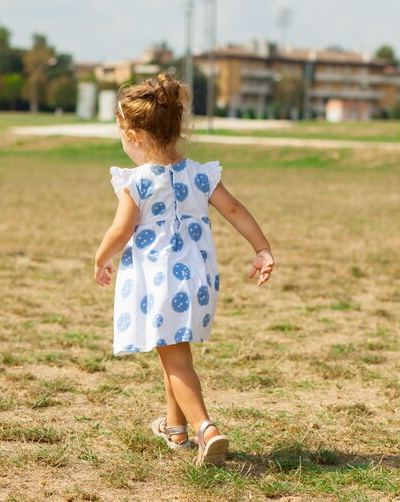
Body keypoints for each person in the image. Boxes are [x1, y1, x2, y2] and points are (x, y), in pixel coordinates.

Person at [94, 73, 275, 467]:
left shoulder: (137, 181)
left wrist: (101, 256)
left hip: (158, 282)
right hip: (197, 280)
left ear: (137, 136)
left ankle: (205, 429)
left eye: (123, 134)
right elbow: (234, 209)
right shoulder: (201, 174)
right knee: (172, 351)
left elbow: (121, 229)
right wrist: (261, 248)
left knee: (175, 358)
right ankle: (174, 429)